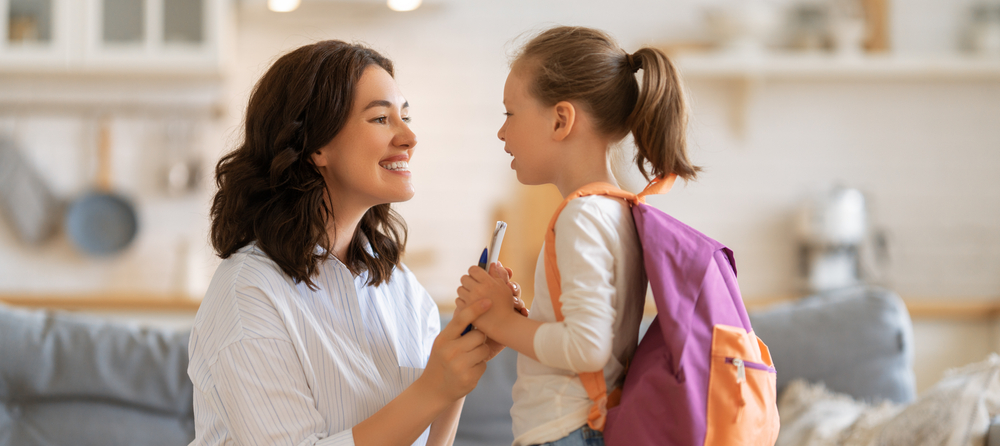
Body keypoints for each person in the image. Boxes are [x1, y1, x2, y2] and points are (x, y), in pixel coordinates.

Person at [188, 40, 522, 446]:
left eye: (405, 116)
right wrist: (434, 387)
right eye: (381, 118)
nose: (409, 136)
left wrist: (457, 374)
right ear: (316, 145)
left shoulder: (404, 292)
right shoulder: (248, 292)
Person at [456, 26, 701, 446]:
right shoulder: (620, 209)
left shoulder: (581, 217)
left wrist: (497, 321)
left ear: (561, 119)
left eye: (510, 114)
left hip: (564, 430)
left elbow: (587, 348)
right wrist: (516, 321)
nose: (502, 133)